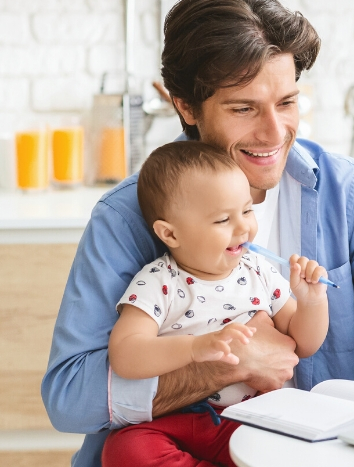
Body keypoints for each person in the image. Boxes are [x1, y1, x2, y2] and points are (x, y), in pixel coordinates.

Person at [42, 0, 354, 467]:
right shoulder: (128, 216)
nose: (273, 133)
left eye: (287, 102)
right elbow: (69, 396)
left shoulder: (348, 191)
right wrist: (225, 364)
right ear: (186, 106)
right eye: (244, 108)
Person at [100, 141, 330, 466]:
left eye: (247, 210)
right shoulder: (157, 281)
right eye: (223, 219)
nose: (244, 227)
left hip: (249, 417)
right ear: (170, 234)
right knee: (123, 449)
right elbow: (125, 354)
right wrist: (195, 349)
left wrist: (312, 303)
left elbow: (303, 344)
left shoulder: (259, 272)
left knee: (289, 447)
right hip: (172, 417)